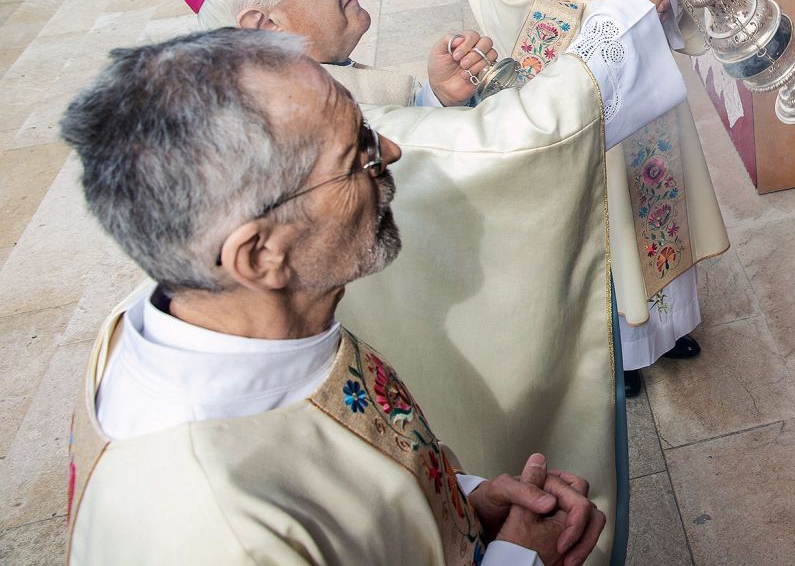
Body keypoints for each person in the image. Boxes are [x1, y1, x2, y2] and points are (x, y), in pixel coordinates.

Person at [176, 0, 691, 566]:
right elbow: (519, 142)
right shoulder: (298, 134)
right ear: (262, 24)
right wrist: (629, 7)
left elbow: (421, 142)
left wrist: (435, 103)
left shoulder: (266, 90)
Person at [59, 30, 608, 566]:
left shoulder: (227, 321)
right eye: (357, 155)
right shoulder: (220, 532)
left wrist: (463, 507)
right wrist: (522, 557)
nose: (389, 151)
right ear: (259, 256)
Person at [466, 0, 731, 401]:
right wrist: (620, 7)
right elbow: (508, 11)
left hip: (651, 83)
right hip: (588, 88)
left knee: (655, 195)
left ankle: (667, 327)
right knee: (601, 211)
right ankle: (619, 346)